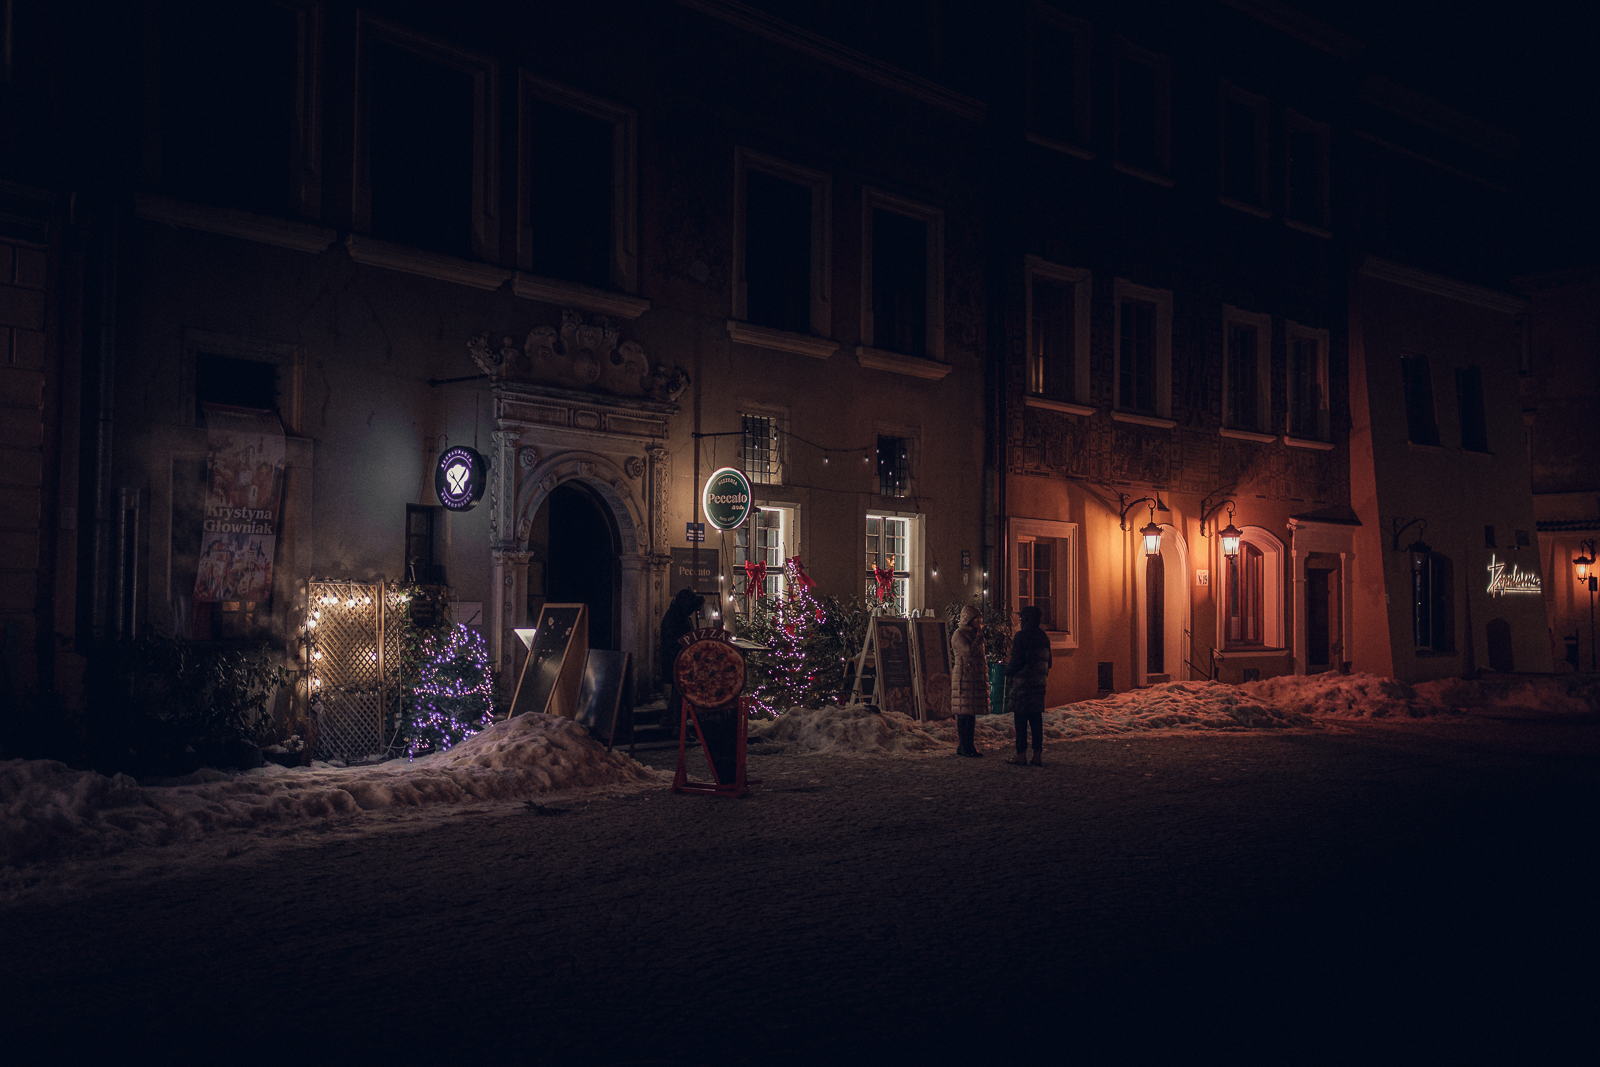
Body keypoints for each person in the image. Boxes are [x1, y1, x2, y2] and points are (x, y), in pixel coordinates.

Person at [1004, 605, 1053, 766]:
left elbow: (1017, 661)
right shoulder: (1043, 637)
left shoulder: (1021, 636)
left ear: (1025, 619)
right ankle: (1037, 754)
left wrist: (1008, 671)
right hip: (1039, 684)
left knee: (1021, 720)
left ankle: (1021, 754)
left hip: (1022, 685)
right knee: (1036, 720)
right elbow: (1049, 662)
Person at [659, 587, 707, 733]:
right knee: (679, 694)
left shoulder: (678, 615)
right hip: (677, 661)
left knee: (677, 692)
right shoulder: (675, 618)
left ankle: (671, 719)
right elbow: (676, 641)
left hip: (679, 661)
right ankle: (678, 726)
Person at [950, 604, 989, 756]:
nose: (978, 622)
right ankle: (963, 746)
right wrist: (979, 638)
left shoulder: (974, 635)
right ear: (968, 620)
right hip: (964, 678)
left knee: (971, 714)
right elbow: (969, 652)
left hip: (974, 678)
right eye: (976, 619)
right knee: (964, 713)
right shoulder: (959, 634)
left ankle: (970, 746)